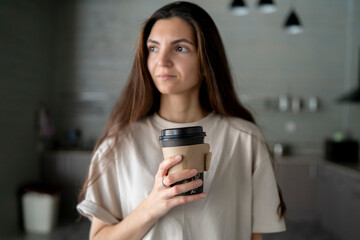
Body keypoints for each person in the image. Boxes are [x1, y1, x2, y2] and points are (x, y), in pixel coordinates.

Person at [77, 1, 286, 240]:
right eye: (153, 48)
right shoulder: (118, 145)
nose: (162, 61)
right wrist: (151, 207)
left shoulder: (245, 139)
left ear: (206, 62)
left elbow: (253, 236)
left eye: (180, 48)